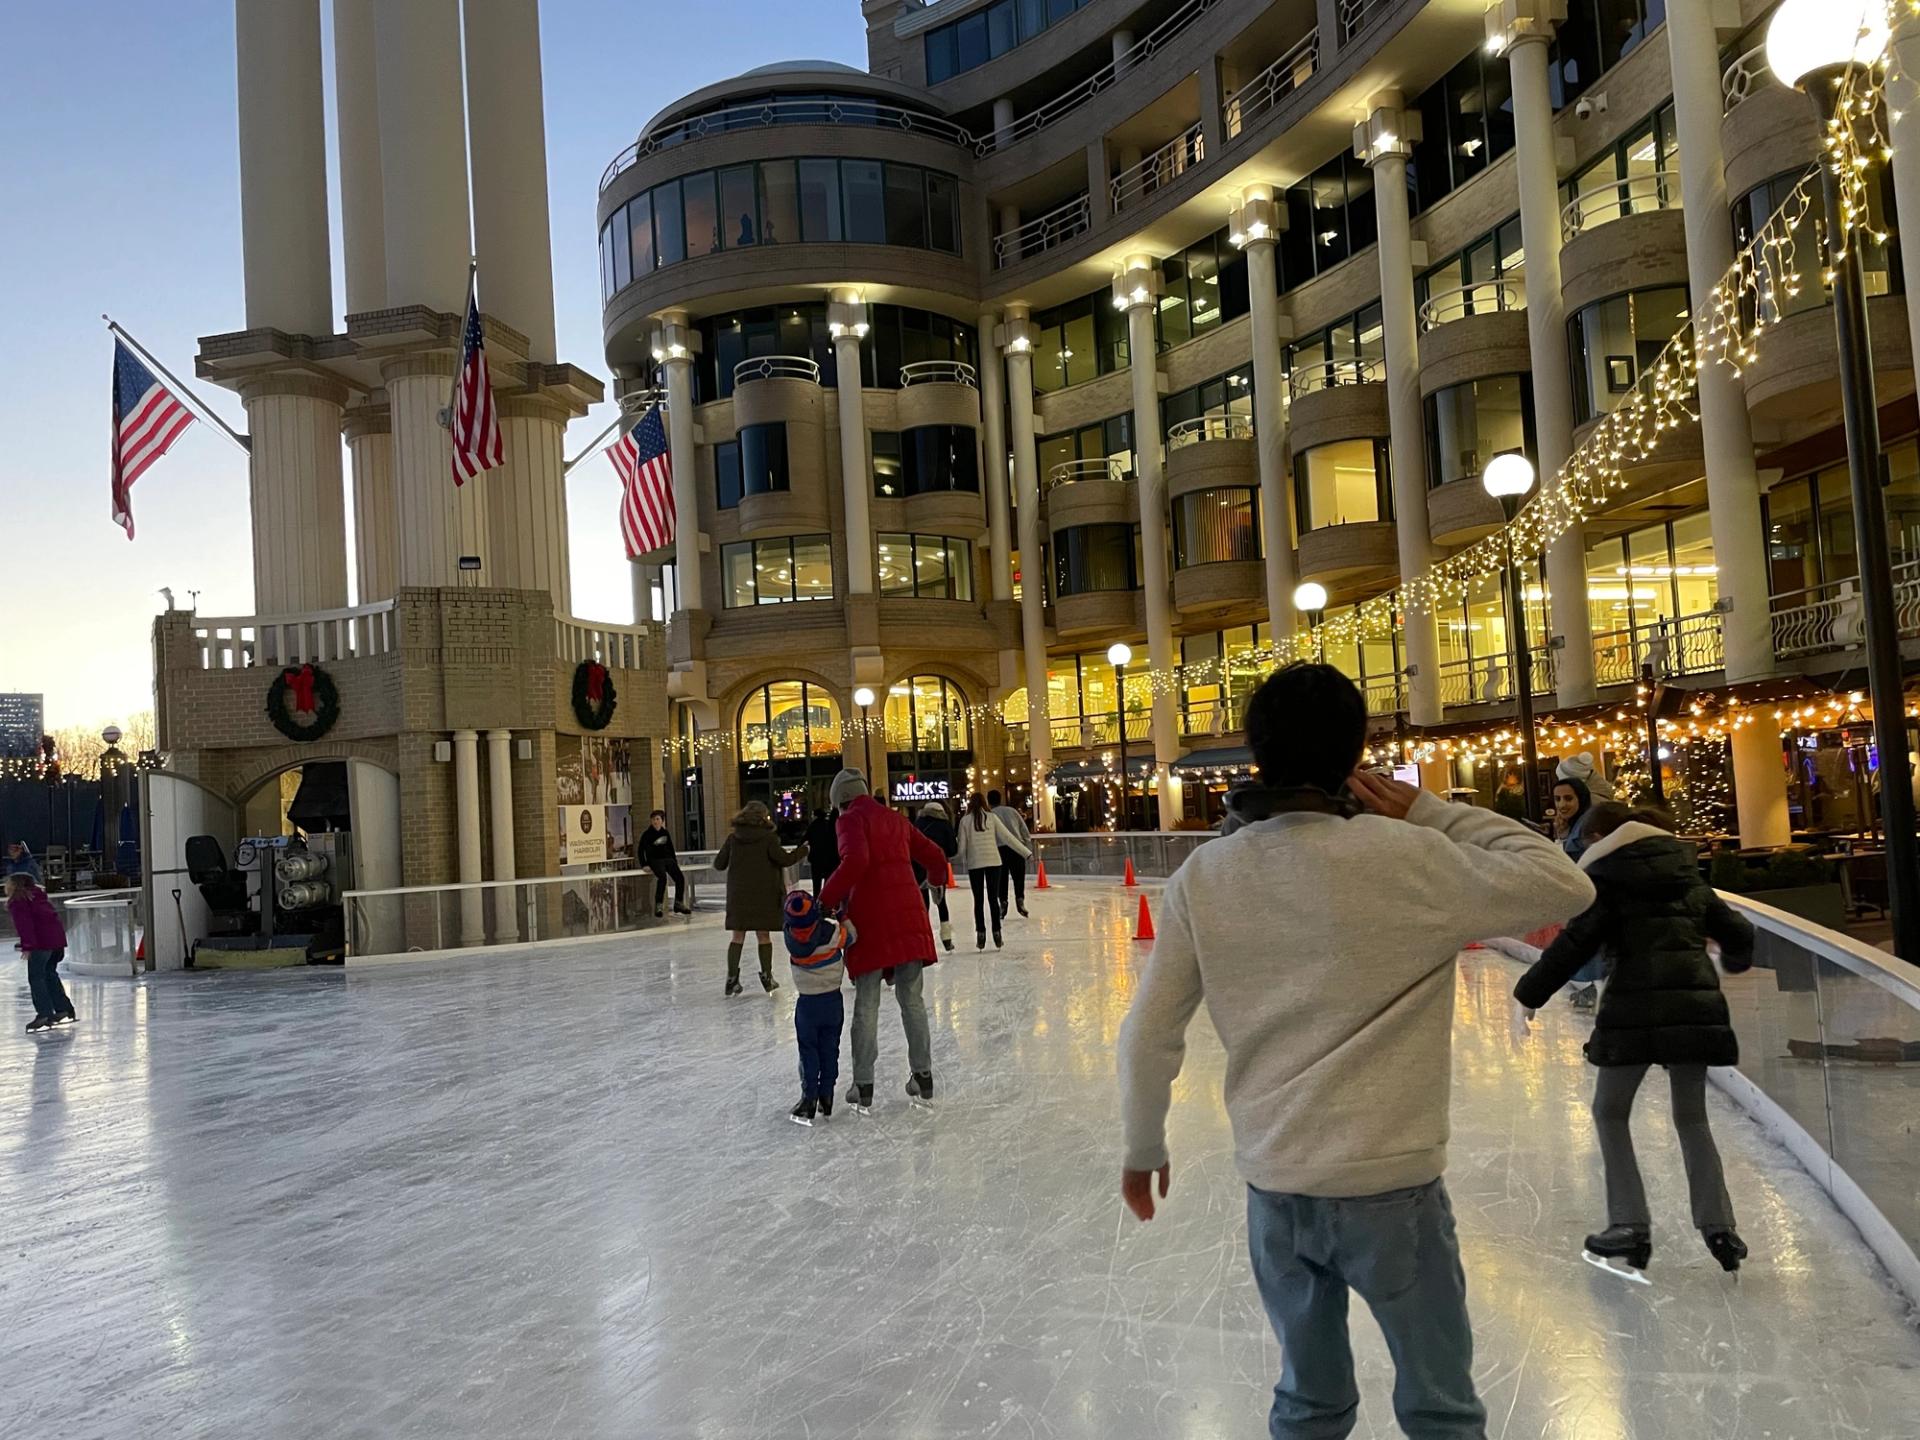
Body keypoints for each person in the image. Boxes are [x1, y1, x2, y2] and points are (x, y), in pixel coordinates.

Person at [1116, 662, 1595, 1440]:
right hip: (1393, 1187)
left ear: (1254, 753)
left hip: (1278, 1186)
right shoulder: (1410, 857)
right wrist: (1431, 811)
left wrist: (1142, 1145)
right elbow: (1565, 885)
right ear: (1356, 751)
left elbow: (1149, 1030)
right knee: (1440, 1406)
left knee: (1308, 1404)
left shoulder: (1206, 876)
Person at [1512, 803, 1756, 1274]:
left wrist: (1527, 995)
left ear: (1605, 836)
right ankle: (1720, 1228)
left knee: (1609, 1112)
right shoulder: (1688, 877)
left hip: (1633, 1011)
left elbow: (1573, 945)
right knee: (1692, 1118)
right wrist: (1732, 962)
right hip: (1694, 1008)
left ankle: (1629, 1225)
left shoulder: (1606, 879)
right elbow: (1739, 932)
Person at [818, 768, 950, 1111]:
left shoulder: (849, 820)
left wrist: (825, 900)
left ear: (841, 801)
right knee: (912, 1000)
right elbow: (936, 856)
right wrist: (934, 883)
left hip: (871, 920)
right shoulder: (895, 820)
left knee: (867, 1004)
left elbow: (856, 861)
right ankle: (923, 1076)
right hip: (908, 917)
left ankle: (863, 1084)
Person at [713, 801, 807, 997]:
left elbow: (719, 864)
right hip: (764, 894)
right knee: (763, 935)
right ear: (763, 817)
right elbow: (784, 860)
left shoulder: (733, 838)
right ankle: (766, 976)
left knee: (737, 936)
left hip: (739, 895)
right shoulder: (768, 839)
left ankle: (731, 978)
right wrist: (803, 851)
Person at [781, 890, 853, 1126]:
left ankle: (809, 1097)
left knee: (809, 1051)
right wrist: (840, 917)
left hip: (807, 1005)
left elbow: (791, 922)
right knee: (830, 1049)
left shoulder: (790, 938)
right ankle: (827, 1096)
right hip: (832, 1001)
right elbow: (852, 937)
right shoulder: (832, 932)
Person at [1549, 776, 1604, 1008]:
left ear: (1581, 798)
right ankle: (1588, 987)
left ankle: (1591, 988)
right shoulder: (1576, 825)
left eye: (1568, 798)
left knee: (1585, 943)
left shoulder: (1588, 826)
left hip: (1594, 895)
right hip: (1583, 896)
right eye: (1558, 799)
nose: (1562, 804)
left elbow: (1587, 860)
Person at [956, 792, 1029, 950]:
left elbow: (961, 849)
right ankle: (997, 932)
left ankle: (981, 932)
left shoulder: (964, 821)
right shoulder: (992, 817)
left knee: (978, 900)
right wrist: (1025, 852)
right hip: (994, 862)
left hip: (975, 864)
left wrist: (949, 857)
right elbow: (1008, 838)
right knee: (992, 899)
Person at [8, 872, 73, 1033]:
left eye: (8, 883)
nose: (5, 886)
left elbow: (25, 925)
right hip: (56, 942)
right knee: (49, 973)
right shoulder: (39, 896)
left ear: (16, 885)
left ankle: (44, 1013)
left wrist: (28, 946)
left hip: (41, 944)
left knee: (37, 978)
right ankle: (62, 1008)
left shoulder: (19, 900)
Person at [913, 799, 959, 953]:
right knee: (941, 903)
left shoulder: (917, 823)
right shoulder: (944, 824)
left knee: (922, 905)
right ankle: (946, 939)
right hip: (937, 868)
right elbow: (953, 850)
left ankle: (923, 941)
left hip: (918, 868)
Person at [987, 789, 1034, 918]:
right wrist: (1026, 848)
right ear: (1000, 799)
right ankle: (1020, 898)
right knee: (1018, 876)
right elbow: (1024, 830)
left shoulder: (989, 815)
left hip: (999, 849)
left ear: (988, 801)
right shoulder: (1012, 811)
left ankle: (1003, 901)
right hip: (1016, 848)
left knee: (1001, 878)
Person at [638, 810, 690, 918]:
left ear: (662, 821)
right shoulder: (647, 834)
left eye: (658, 819)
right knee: (662, 878)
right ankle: (659, 905)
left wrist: (674, 863)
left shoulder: (665, 833)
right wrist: (644, 864)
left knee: (680, 878)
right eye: (653, 819)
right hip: (655, 860)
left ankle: (678, 903)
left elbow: (671, 849)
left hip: (668, 859)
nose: (655, 822)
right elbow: (640, 850)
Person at [805, 806, 841, 897]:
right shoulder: (829, 825)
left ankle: (817, 902)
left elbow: (804, 840)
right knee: (827, 882)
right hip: (829, 859)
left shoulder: (812, 826)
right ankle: (825, 901)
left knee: (816, 884)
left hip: (816, 859)